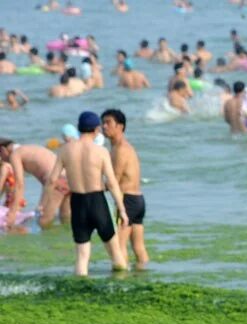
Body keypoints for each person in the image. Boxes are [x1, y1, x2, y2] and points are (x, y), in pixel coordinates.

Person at [44, 112, 128, 275]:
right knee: (115, 253)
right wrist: (122, 209)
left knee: (82, 257)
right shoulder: (101, 151)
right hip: (97, 202)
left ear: (79, 128)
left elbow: (52, 180)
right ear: (97, 129)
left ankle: (80, 292)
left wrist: (45, 204)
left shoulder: (64, 150)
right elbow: (111, 183)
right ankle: (121, 288)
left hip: (78, 203)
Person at [102, 109, 148, 268]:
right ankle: (142, 275)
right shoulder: (120, 147)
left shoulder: (120, 149)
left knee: (119, 247)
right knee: (138, 247)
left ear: (120, 126)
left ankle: (123, 280)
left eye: (108, 122)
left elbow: (114, 180)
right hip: (138, 200)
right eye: (103, 122)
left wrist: (90, 189)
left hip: (128, 200)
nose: (104, 126)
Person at [0, 139, 68, 227]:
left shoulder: (15, 154)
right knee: (67, 221)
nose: (2, 160)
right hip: (69, 178)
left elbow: (19, 184)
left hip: (56, 182)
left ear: (2, 150)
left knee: (43, 222)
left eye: (0, 156)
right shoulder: (29, 148)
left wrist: (12, 212)